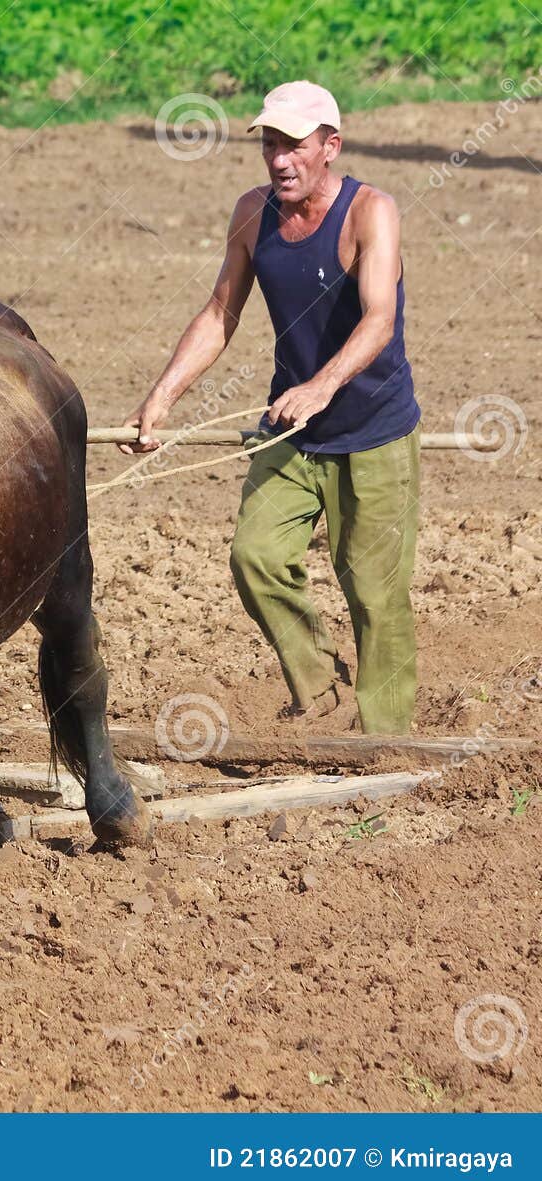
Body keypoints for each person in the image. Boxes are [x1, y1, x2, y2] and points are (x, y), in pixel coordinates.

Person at [125, 80, 420, 734]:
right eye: (269, 144)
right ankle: (322, 695)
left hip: (373, 431)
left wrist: (323, 385)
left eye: (294, 145)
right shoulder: (252, 214)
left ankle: (390, 740)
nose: (279, 159)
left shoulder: (372, 212)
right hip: (290, 431)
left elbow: (378, 320)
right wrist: (163, 396)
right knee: (254, 556)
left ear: (329, 147)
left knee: (375, 592)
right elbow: (220, 312)